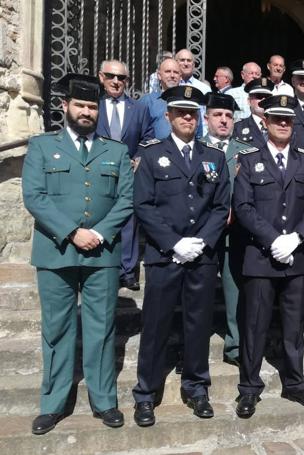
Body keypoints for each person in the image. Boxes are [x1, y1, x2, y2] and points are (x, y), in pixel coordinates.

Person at [22, 74, 133, 434]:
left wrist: (98, 233)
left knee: (101, 328)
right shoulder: (41, 146)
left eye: (92, 106)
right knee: (57, 328)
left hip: (103, 253)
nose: (86, 112)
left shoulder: (115, 151)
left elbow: (125, 200)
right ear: (65, 106)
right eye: (80, 105)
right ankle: (53, 403)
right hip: (56, 252)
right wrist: (72, 232)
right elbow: (34, 197)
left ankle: (104, 401)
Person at [131, 86, 230, 426]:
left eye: (192, 113)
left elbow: (220, 207)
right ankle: (146, 394)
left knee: (198, 325)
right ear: (169, 116)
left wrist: (200, 242)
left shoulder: (213, 157)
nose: (188, 118)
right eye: (181, 112)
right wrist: (174, 244)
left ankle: (197, 388)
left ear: (199, 117)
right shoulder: (152, 155)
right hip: (164, 256)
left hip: (201, 258)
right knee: (155, 326)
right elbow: (143, 205)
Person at [233, 95, 304, 418]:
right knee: (254, 325)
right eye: (276, 119)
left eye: (288, 120)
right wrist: (273, 240)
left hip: (296, 258)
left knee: (293, 325)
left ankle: (296, 383)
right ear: (266, 122)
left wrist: (297, 237)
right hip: (260, 256)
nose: (283, 124)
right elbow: (242, 207)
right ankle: (249, 388)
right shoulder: (250, 158)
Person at [203, 92, 254, 366]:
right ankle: (196, 344)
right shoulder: (197, 148)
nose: (223, 121)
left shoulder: (244, 151)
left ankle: (235, 346)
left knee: (235, 292)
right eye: (217, 115)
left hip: (236, 234)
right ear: (206, 118)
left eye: (228, 117)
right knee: (200, 294)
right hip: (202, 234)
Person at [96, 59, 154, 291]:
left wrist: (139, 158)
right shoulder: (93, 106)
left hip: (129, 173)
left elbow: (148, 137)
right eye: (111, 76)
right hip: (98, 173)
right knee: (100, 216)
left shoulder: (139, 108)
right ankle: (100, 267)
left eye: (122, 78)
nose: (117, 81)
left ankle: (127, 271)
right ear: (101, 77)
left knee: (129, 222)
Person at [140, 57, 182, 139]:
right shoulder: (147, 101)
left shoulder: (188, 101)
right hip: (155, 150)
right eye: (168, 71)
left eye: (176, 72)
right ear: (159, 75)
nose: (172, 75)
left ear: (180, 76)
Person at [176, 49, 211, 136]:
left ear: (193, 64)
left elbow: (209, 115)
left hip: (199, 136)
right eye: (182, 60)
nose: (186, 63)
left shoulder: (205, 88)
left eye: (189, 60)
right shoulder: (171, 86)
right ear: (176, 63)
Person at [232, 77, 273, 150]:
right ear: (249, 101)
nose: (263, 100)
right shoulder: (237, 128)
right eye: (259, 96)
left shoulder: (280, 126)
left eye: (267, 97)